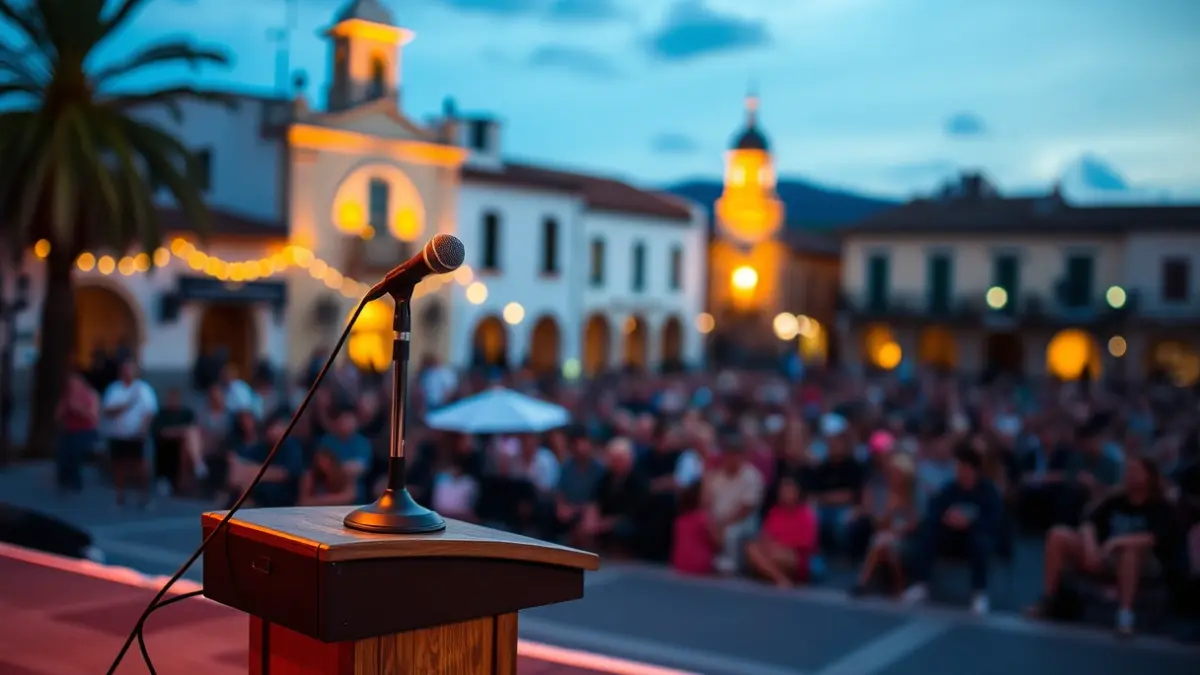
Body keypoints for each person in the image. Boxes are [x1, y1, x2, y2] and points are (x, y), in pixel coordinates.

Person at [1029, 456, 1174, 635]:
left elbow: (1152, 538)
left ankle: (1125, 616)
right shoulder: (1115, 499)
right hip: (1105, 555)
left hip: (1143, 561)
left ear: (1148, 477)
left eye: (1135, 471)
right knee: (1058, 534)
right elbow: (1088, 524)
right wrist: (1091, 548)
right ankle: (1049, 601)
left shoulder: (1160, 505)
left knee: (1129, 552)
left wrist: (1117, 542)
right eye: (1128, 470)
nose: (1129, 475)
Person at [903, 444, 1004, 614]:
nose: (960, 472)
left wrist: (970, 522)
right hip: (950, 538)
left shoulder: (988, 491)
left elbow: (994, 520)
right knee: (928, 532)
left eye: (964, 468)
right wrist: (947, 518)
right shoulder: (950, 489)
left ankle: (979, 593)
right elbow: (934, 511)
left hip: (974, 539)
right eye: (958, 468)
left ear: (974, 470)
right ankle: (921, 585)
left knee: (981, 541)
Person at [852, 453, 919, 597]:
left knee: (884, 543)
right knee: (883, 542)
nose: (895, 476)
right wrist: (889, 510)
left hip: (907, 538)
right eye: (893, 472)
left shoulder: (913, 495)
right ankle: (895, 587)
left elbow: (914, 524)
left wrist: (901, 527)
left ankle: (863, 582)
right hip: (887, 535)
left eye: (898, 473)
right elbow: (879, 524)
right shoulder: (886, 495)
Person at [702, 432, 765, 575]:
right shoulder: (717, 475)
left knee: (731, 532)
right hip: (718, 518)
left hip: (743, 521)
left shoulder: (752, 476)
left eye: (734, 455)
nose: (730, 458)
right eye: (728, 454)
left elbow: (746, 509)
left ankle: (731, 565)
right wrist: (712, 520)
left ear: (741, 456)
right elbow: (707, 502)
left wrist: (723, 523)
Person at [101, 360, 158, 508]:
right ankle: (120, 495)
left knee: (140, 464)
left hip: (136, 434)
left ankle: (144, 495)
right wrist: (126, 405)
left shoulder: (143, 389)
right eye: (125, 370)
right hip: (118, 434)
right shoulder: (114, 389)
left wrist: (143, 428)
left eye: (130, 370)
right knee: (118, 463)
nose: (127, 373)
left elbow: (150, 411)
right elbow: (107, 410)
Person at [744, 476, 817, 588]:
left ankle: (768, 572)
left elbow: (807, 543)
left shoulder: (806, 514)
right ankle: (780, 578)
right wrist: (769, 544)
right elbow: (765, 534)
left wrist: (780, 545)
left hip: (794, 555)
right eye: (783, 491)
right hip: (771, 549)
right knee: (751, 548)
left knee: (775, 554)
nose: (785, 494)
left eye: (789, 491)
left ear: (797, 493)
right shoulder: (775, 511)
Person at [228, 413, 304, 508]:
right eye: (270, 427)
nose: (272, 431)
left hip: (283, 501)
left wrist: (255, 472)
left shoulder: (291, 446)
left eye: (276, 427)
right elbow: (241, 459)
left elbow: (286, 473)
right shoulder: (262, 446)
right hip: (259, 497)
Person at [303, 407, 373, 505]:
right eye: (344, 420)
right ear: (337, 422)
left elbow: (360, 467)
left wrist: (341, 469)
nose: (347, 424)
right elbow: (321, 465)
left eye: (350, 420)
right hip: (327, 485)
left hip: (353, 489)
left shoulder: (362, 443)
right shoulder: (327, 441)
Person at [54, 369, 99, 494]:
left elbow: (93, 416)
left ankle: (76, 483)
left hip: (84, 431)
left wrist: (78, 408)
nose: (72, 387)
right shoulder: (67, 396)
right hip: (68, 430)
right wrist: (63, 407)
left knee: (75, 455)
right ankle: (63, 482)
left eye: (75, 384)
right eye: (70, 384)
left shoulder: (90, 395)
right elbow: (57, 416)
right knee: (63, 455)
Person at [150, 389, 196, 497]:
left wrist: (174, 432)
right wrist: (175, 432)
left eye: (175, 399)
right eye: (170, 399)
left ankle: (183, 484)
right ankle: (164, 481)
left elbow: (191, 429)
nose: (172, 401)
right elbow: (159, 431)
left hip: (183, 446)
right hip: (165, 445)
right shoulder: (162, 414)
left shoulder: (186, 414)